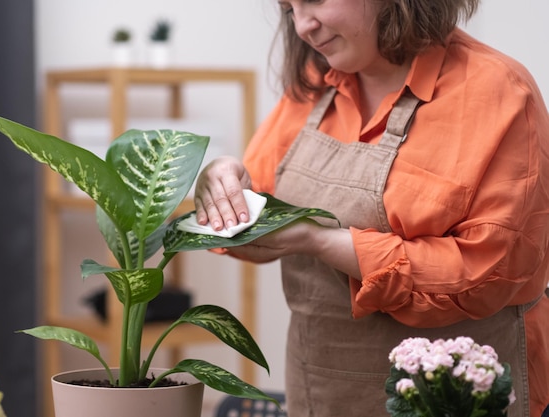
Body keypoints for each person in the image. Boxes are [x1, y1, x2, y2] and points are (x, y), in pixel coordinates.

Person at [193, 0, 549, 416]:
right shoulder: (314, 85)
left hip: (454, 400)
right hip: (320, 393)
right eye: (289, 9)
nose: (303, 25)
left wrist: (323, 242)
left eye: (313, 0)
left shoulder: (499, 91)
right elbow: (254, 217)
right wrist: (224, 185)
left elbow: (487, 275)